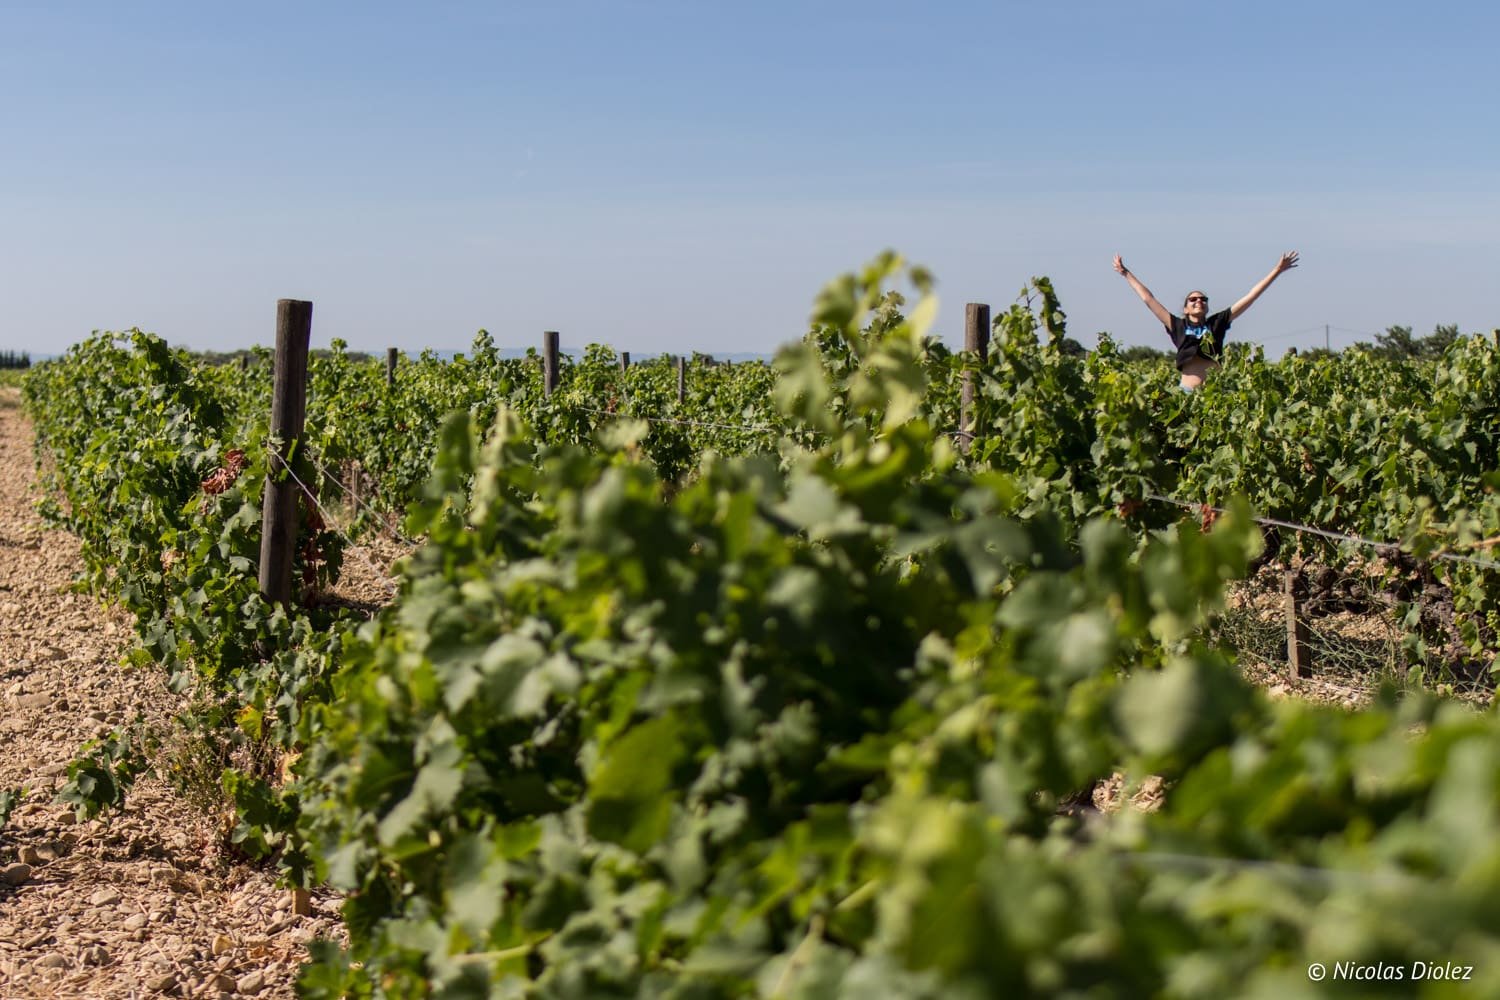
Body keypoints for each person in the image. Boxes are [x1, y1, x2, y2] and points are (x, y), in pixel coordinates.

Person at [1113, 251, 1299, 390]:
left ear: (1207, 306)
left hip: (1213, 394)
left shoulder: (1216, 324)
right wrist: (1126, 273)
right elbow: (1148, 299)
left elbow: (1250, 297)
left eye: (1203, 299)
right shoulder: (1178, 325)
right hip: (1186, 393)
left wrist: (1277, 270)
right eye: (1193, 299)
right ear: (1186, 308)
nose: (1198, 301)